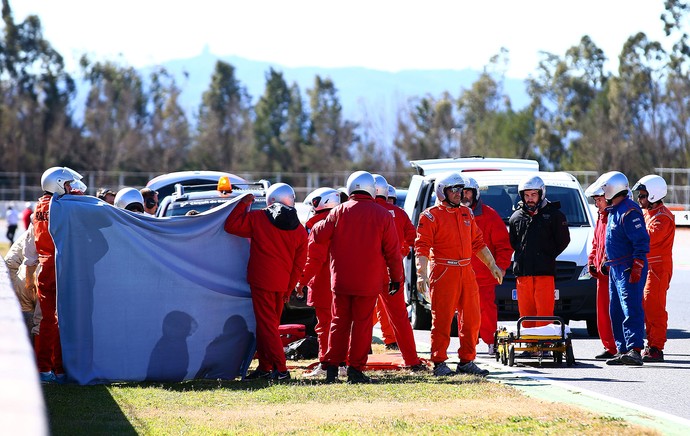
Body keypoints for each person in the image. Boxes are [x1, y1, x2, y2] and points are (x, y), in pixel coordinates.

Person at [311, 171, 403, 383]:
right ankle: (355, 370)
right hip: (368, 282)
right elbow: (393, 252)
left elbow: (318, 233)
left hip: (341, 280)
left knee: (338, 323)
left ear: (351, 187)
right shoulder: (382, 215)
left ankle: (332, 368)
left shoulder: (338, 212)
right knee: (362, 326)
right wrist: (396, 278)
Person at [415, 172, 503, 377]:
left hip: (466, 270)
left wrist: (492, 265)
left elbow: (478, 243)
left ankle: (467, 360)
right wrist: (421, 274)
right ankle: (438, 362)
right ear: (441, 191)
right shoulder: (430, 216)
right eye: (453, 190)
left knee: (472, 319)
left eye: (460, 189)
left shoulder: (466, 213)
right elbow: (421, 247)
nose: (458, 194)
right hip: (443, 271)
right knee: (443, 319)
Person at [224, 182, 307, 381]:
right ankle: (265, 367)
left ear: (270, 200)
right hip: (282, 284)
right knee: (268, 326)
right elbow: (299, 264)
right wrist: (289, 287)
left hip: (262, 281)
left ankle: (281, 369)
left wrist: (243, 204)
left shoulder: (259, 218)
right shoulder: (300, 230)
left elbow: (231, 225)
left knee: (267, 326)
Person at [34, 166, 86, 383]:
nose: (69, 188)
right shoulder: (61, 206)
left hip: (44, 265)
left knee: (47, 320)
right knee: (62, 320)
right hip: (59, 266)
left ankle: (46, 367)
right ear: (57, 184)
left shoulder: (40, 205)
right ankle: (57, 367)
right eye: (66, 184)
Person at [371, 174, 425, 368]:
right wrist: (401, 251)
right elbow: (415, 239)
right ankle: (411, 360)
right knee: (400, 318)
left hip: (366, 271)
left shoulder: (357, 211)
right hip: (393, 270)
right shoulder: (398, 213)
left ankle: (353, 361)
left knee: (359, 316)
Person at [599, 171, 650, 366]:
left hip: (629, 266)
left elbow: (641, 240)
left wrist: (637, 264)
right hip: (615, 267)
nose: (603, 193)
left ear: (613, 188)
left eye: (605, 189)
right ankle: (622, 349)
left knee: (631, 307)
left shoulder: (630, 210)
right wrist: (606, 259)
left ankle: (635, 349)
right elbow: (611, 239)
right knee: (616, 309)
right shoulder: (614, 210)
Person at [509, 175, 570, 331]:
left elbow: (563, 240)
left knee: (544, 312)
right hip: (523, 274)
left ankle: (544, 344)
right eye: (527, 195)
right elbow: (514, 242)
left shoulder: (555, 215)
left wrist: (547, 255)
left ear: (541, 194)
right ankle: (529, 344)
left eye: (533, 195)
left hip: (545, 274)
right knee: (526, 313)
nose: (530, 199)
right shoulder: (516, 217)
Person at [297, 187, 345, 378]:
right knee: (342, 325)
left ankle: (326, 363)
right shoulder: (344, 221)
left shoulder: (318, 224)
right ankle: (343, 362)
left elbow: (314, 259)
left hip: (323, 283)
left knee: (324, 326)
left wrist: (301, 281)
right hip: (343, 280)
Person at [461, 177, 512, 355]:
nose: (464, 196)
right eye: (462, 192)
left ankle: (491, 342)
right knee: (463, 313)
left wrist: (501, 267)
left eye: (468, 192)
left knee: (487, 310)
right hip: (461, 275)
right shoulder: (452, 214)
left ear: (475, 193)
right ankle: (468, 345)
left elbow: (504, 246)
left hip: (484, 276)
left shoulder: (490, 215)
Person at [632, 174, 675, 362]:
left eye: (642, 195)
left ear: (653, 195)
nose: (639, 199)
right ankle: (650, 343)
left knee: (654, 307)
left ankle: (656, 347)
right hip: (647, 266)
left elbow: (647, 238)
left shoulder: (663, 217)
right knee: (644, 305)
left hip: (658, 268)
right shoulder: (646, 214)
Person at [584, 177, 617, 359]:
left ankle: (619, 345)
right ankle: (610, 346)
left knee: (615, 311)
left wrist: (608, 262)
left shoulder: (615, 216)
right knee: (602, 312)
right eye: (595, 201)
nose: (597, 204)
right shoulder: (601, 217)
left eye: (599, 200)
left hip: (613, 273)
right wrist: (591, 261)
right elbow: (596, 243)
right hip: (601, 274)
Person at [3, 224, 38, 335]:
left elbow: (10, 261)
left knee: (27, 328)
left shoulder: (31, 230)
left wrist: (14, 286)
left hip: (22, 280)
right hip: (43, 283)